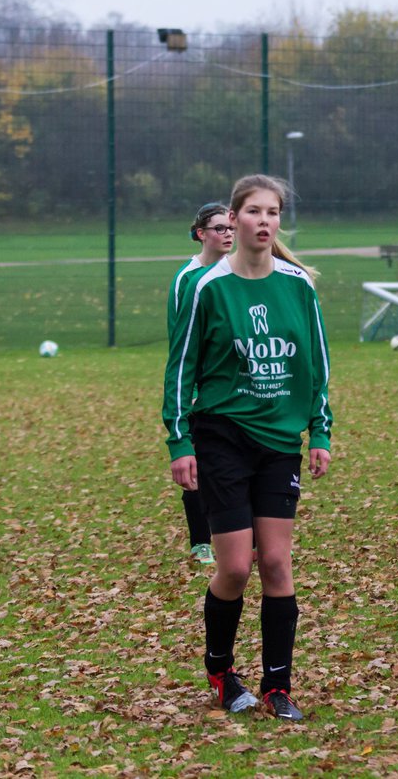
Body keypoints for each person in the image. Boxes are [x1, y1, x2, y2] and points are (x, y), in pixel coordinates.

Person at [163, 174, 332, 722]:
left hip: (280, 441)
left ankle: (278, 686)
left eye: (274, 212)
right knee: (236, 566)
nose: (265, 221)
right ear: (231, 221)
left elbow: (316, 367)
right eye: (255, 211)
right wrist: (180, 439)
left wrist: (320, 432)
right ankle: (221, 671)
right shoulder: (207, 286)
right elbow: (181, 368)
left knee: (278, 563)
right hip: (221, 437)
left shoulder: (298, 285)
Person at [167, 203, 236, 567]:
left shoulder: (236, 272)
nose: (228, 234)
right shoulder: (187, 279)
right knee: (198, 465)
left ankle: (241, 536)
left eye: (231, 228)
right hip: (200, 390)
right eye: (220, 228)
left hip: (235, 390)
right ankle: (200, 541)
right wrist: (191, 389)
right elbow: (183, 341)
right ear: (200, 234)